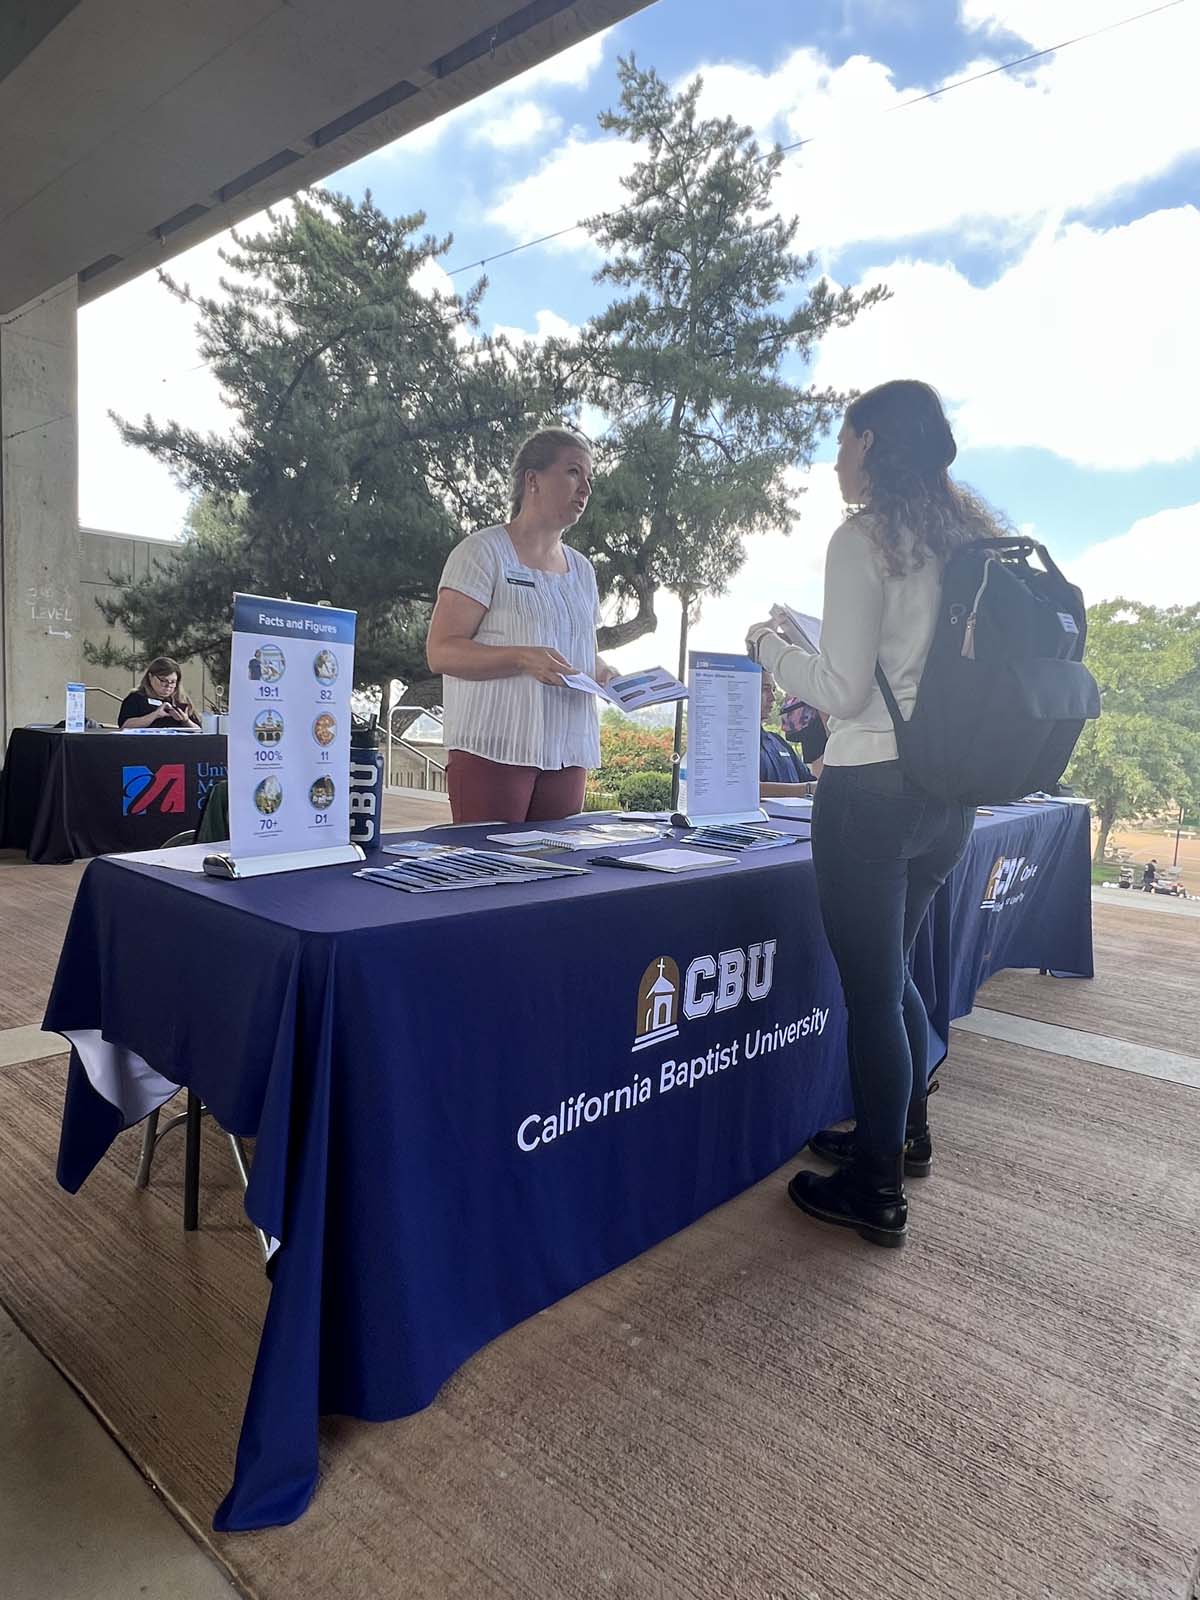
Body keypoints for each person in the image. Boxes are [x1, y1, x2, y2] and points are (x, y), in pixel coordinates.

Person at [747, 379, 1008, 1248]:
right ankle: (905, 1133)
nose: (834, 456)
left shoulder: (864, 539)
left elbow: (845, 691)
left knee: (870, 990)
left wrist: (771, 649)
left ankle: (877, 1190)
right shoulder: (964, 542)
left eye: (844, 438)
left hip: (870, 791)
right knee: (893, 973)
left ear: (872, 444)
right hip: (949, 799)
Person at [426, 428, 616, 824]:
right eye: (573, 472)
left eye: (589, 479)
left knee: (556, 877)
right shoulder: (482, 553)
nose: (586, 488)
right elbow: (441, 650)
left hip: (567, 751)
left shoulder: (582, 570)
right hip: (494, 747)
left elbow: (579, 653)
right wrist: (521, 658)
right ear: (533, 480)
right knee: (491, 878)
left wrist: (607, 675)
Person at [759, 671, 815, 789]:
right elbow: (744, 791)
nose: (772, 698)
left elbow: (809, 781)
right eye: (765, 689)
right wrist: (805, 789)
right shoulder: (730, 747)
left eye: (773, 690)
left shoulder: (778, 742)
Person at [117, 657, 201, 730]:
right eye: (163, 680)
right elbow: (125, 726)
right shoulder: (136, 698)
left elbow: (200, 730)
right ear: (150, 677)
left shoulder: (181, 699)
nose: (168, 685)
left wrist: (186, 721)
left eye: (173, 682)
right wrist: (155, 715)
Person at [780, 695, 828, 778]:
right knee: (820, 760)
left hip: (804, 724)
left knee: (816, 762)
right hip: (815, 725)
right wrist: (829, 732)